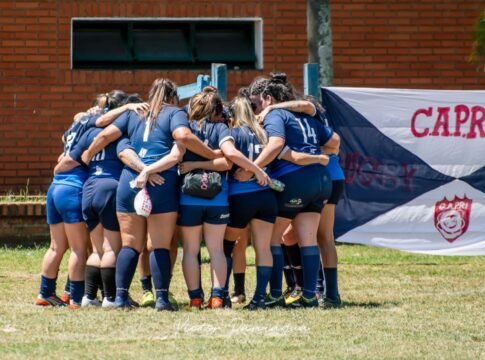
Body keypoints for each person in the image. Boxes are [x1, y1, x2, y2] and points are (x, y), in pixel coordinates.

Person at [82, 78, 219, 311]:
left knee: (130, 244)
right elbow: (184, 137)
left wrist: (88, 153)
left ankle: (121, 298)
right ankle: (162, 299)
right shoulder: (174, 112)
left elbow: (105, 135)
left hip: (130, 181)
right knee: (160, 245)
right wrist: (210, 154)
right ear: (173, 97)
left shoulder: (134, 112)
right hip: (162, 180)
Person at [235, 73, 335, 308]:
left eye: (257, 104)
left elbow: (276, 143)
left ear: (268, 98)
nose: (256, 110)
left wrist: (253, 169)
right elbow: (335, 143)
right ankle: (310, 295)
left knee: (271, 238)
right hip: (321, 181)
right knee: (307, 239)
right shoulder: (306, 117)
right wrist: (317, 156)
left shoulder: (276, 113)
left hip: (294, 180)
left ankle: (276, 294)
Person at [36, 90, 134, 308]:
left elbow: (65, 141)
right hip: (75, 187)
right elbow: (78, 155)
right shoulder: (99, 127)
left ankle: (46, 293)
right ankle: (75, 296)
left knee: (56, 247)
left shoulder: (79, 124)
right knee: (81, 249)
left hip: (56, 187)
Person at [53, 95, 149, 308]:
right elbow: (125, 154)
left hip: (89, 189)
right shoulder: (119, 134)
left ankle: (88, 297)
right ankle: (110, 298)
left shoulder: (89, 134)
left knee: (96, 249)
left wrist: (57, 170)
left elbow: (71, 157)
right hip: (110, 188)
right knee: (112, 249)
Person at [177, 89, 269, 310]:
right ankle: (217, 297)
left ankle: (195, 298)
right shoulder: (220, 128)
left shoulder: (184, 128)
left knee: (190, 249)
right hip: (217, 198)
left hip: (189, 197)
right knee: (217, 249)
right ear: (217, 110)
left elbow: (177, 158)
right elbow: (227, 163)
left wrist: (193, 165)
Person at [223, 95, 277, 309]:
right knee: (263, 249)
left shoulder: (232, 133)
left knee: (225, 247)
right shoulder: (264, 133)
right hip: (266, 195)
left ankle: (223, 294)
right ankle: (260, 298)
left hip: (241, 197)